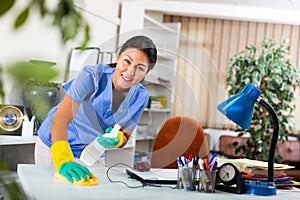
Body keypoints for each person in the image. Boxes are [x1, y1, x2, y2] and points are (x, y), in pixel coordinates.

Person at [34, 35, 157, 183]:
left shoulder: (141, 96)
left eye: (140, 68)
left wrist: (116, 140)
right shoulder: (91, 77)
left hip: (93, 153)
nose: (130, 72)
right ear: (118, 57)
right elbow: (60, 121)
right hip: (55, 145)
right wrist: (64, 160)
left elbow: (125, 136)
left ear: (146, 72)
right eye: (127, 61)